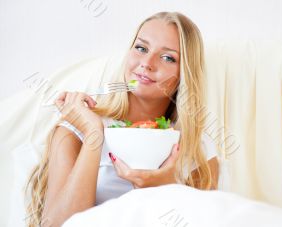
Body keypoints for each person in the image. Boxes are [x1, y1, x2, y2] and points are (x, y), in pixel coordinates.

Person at [25, 11, 219, 227]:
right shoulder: (77, 129)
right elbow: (56, 225)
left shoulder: (198, 148)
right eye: (141, 48)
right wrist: (93, 134)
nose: (147, 63)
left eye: (167, 57)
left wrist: (165, 189)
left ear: (185, 74)